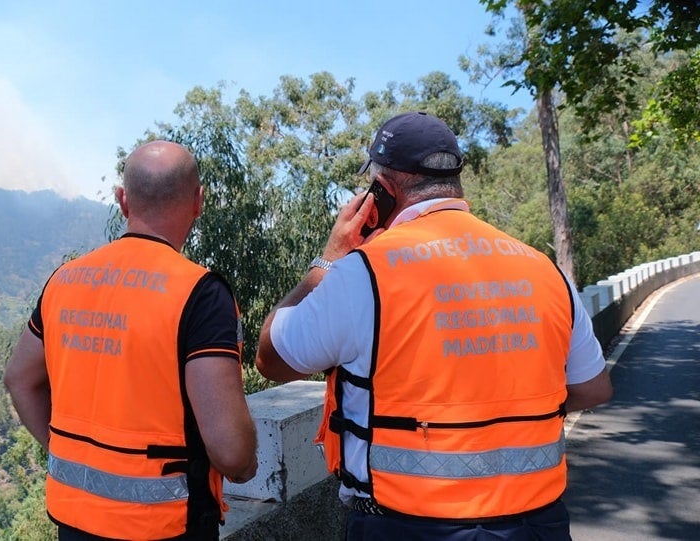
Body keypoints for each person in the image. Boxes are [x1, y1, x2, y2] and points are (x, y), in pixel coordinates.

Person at [255, 112, 612, 540]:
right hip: (537, 524)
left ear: (382, 190)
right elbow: (593, 388)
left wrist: (327, 260)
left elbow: (272, 359)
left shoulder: (364, 273)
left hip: (405, 525)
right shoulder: (543, 268)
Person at [4, 140, 258, 541]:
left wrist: (66, 452)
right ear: (198, 201)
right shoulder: (200, 294)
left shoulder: (64, 280)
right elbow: (231, 452)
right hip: (163, 526)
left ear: (122, 200)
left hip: (75, 520)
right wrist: (246, 464)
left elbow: (19, 379)